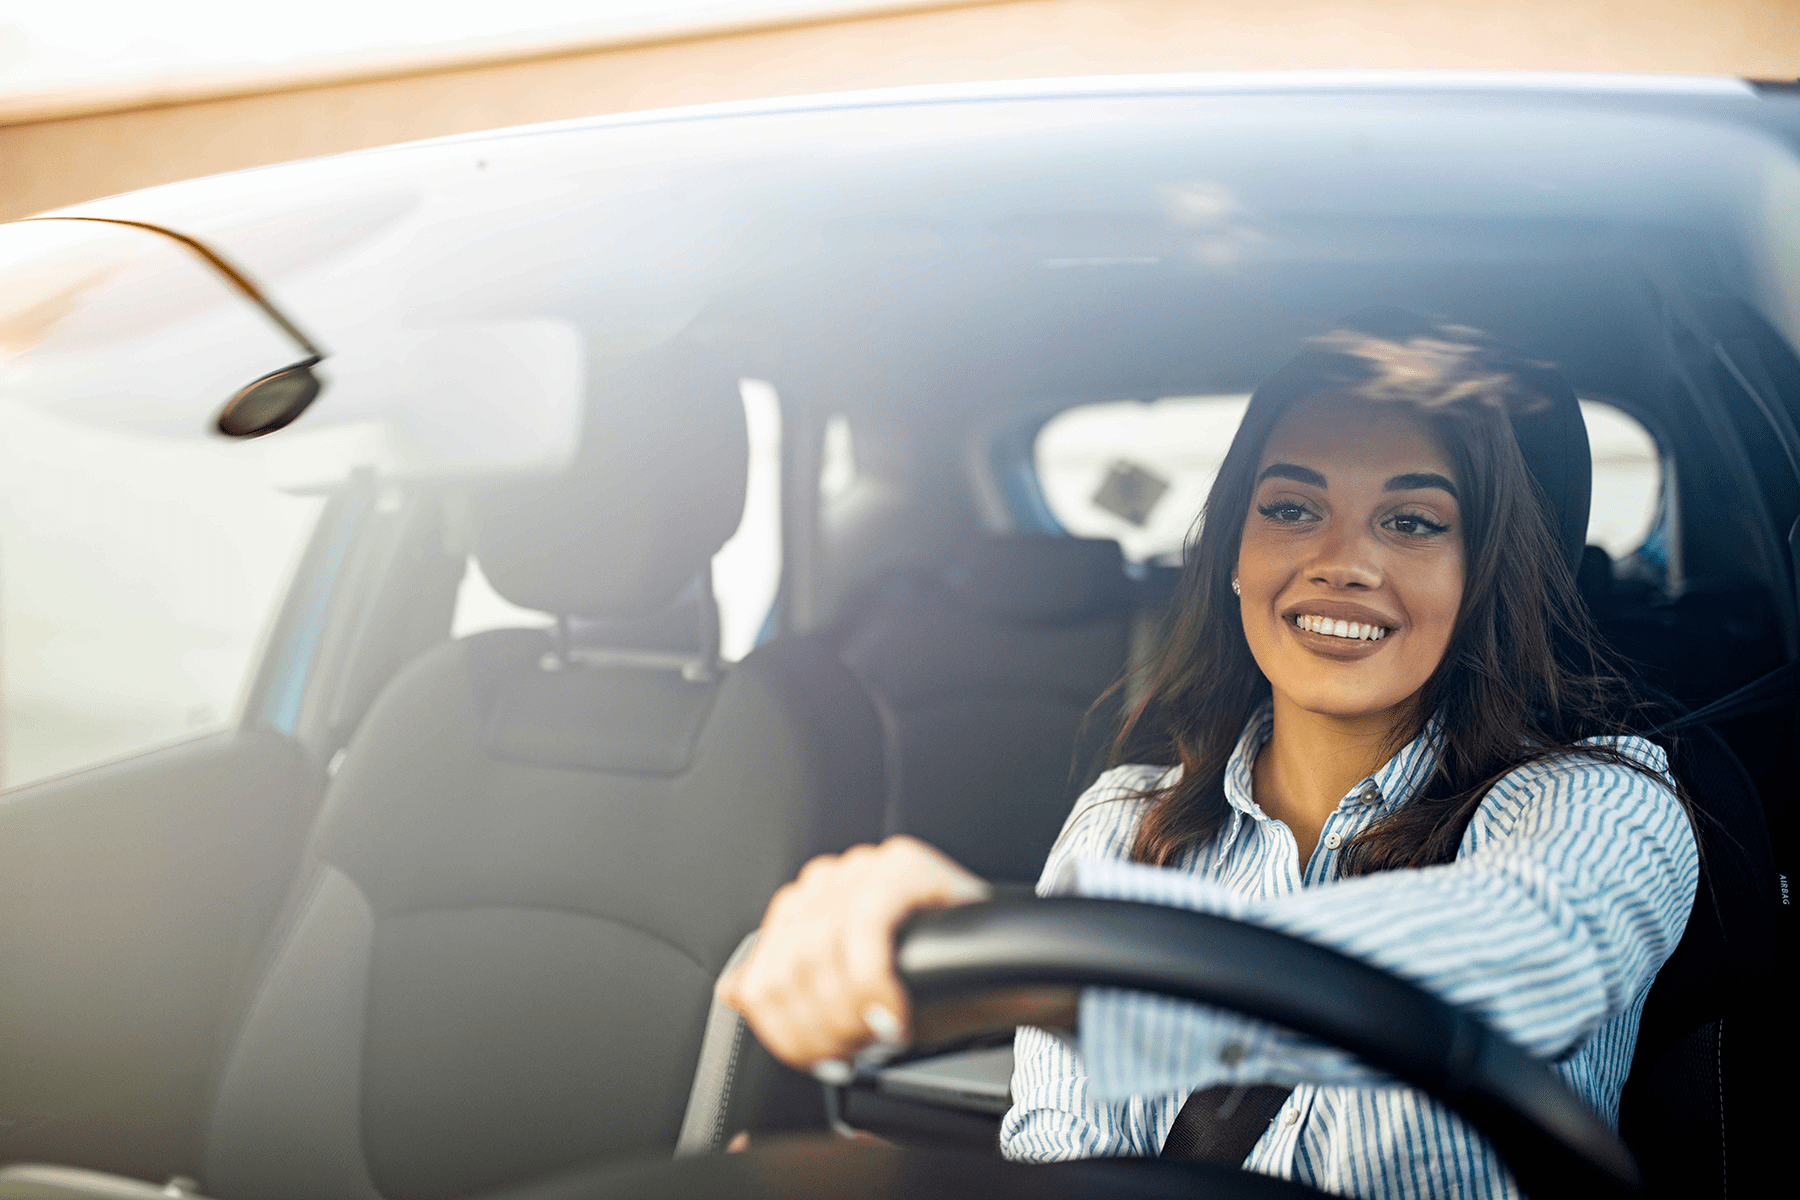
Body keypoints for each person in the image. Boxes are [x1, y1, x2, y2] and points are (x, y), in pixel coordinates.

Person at [716, 309, 1697, 1199]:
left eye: (1411, 522)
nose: (1343, 562)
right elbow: (1061, 1157)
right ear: (1234, 552)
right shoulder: (1123, 818)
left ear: (1482, 571)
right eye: (1291, 508)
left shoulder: (1603, 801)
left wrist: (1059, 975)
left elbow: (1535, 955)